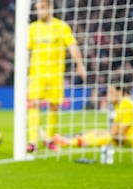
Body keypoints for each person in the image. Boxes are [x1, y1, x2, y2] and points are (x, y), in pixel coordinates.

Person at [26, 0, 87, 153]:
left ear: (50, 8)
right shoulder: (32, 29)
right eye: (37, 9)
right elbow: (25, 50)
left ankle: (50, 139)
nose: (40, 11)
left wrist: (79, 64)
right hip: (37, 73)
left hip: (55, 74)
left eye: (42, 8)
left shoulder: (61, 26)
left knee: (54, 106)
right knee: (33, 104)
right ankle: (32, 141)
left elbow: (72, 45)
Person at [53, 83, 133, 148]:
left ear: (119, 93)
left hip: (131, 141)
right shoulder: (118, 105)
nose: (108, 95)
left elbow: (121, 133)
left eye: (111, 92)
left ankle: (73, 142)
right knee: (97, 132)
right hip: (123, 137)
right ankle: (74, 140)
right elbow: (114, 129)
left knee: (107, 137)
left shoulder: (127, 105)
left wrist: (107, 134)